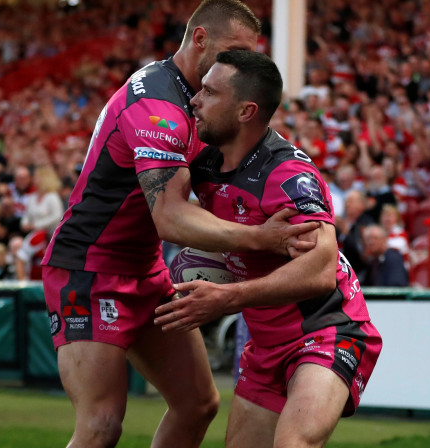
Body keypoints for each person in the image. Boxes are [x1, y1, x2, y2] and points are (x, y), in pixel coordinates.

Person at [40, 2, 318, 446]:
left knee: (198, 404)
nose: (237, 64)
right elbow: (169, 216)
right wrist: (259, 238)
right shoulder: (158, 104)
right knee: (101, 424)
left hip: (145, 270)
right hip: (86, 270)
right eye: (232, 50)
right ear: (201, 39)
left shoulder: (201, 102)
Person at [154, 50, 382, 448]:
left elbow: (319, 271)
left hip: (328, 329)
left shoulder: (288, 174)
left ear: (245, 111)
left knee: (293, 443)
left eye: (209, 91)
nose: (194, 100)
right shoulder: (205, 163)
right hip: (266, 343)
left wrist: (226, 297)